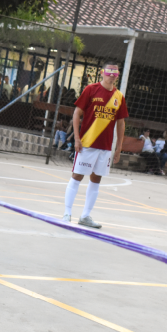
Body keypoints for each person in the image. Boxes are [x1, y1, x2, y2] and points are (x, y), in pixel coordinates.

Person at [63, 61, 128, 228]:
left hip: (105, 147)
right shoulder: (91, 89)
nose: (112, 75)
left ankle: (85, 216)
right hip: (87, 144)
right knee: (77, 176)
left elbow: (120, 123)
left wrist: (118, 147)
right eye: (109, 72)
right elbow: (77, 113)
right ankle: (67, 213)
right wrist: (76, 139)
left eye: (115, 73)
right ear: (102, 73)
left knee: (96, 179)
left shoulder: (119, 97)